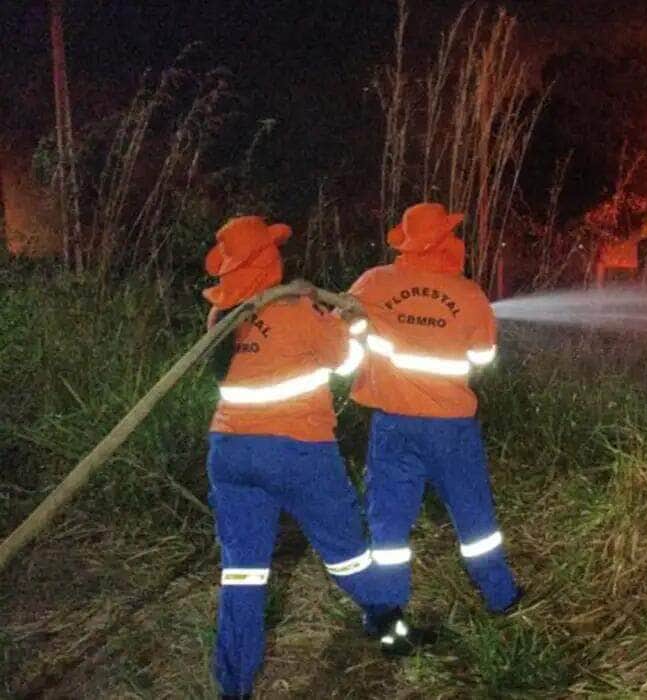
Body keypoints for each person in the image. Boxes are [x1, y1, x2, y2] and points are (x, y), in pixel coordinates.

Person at [202, 215, 394, 699]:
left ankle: (234, 684)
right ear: (269, 259)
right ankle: (385, 614)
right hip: (298, 451)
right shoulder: (299, 313)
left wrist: (303, 301)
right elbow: (346, 362)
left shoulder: (222, 319)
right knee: (346, 552)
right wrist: (348, 320)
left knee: (242, 571)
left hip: (229, 452)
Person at [347, 202, 521, 653]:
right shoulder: (468, 294)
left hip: (391, 424)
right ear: (447, 241)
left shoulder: (373, 283)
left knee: (387, 523)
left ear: (405, 241)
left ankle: (385, 615)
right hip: (451, 428)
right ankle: (502, 598)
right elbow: (482, 359)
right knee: (474, 516)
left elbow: (341, 335)